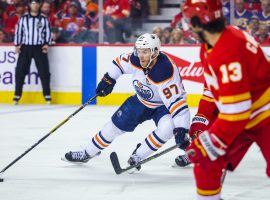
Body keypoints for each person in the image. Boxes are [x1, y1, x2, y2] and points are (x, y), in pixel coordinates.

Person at [179, 0, 270, 199]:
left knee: (206, 153)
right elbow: (219, 96)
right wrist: (204, 122)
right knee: (206, 162)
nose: (187, 25)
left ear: (197, 22)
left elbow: (237, 111)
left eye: (188, 20)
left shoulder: (227, 51)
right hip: (245, 114)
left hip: (264, 114)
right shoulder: (212, 45)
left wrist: (208, 142)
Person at [62, 33, 191, 169]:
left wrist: (182, 129)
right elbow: (119, 63)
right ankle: (87, 152)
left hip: (162, 106)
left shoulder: (164, 71)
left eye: (145, 52)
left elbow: (178, 102)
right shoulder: (135, 59)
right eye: (139, 51)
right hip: (140, 101)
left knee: (168, 128)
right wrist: (109, 79)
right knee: (111, 128)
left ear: (155, 52)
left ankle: (138, 156)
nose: (140, 55)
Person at [14, 0, 52, 104]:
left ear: (39, 5)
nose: (35, 6)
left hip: (39, 47)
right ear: (30, 5)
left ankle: (47, 95)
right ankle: (17, 95)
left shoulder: (44, 18)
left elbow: (48, 32)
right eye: (33, 3)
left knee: (44, 72)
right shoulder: (23, 18)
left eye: (36, 4)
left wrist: (46, 44)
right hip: (26, 47)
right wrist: (17, 44)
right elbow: (19, 32)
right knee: (20, 71)